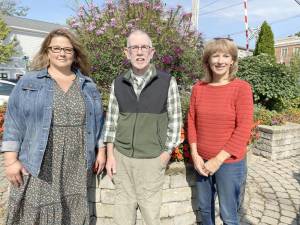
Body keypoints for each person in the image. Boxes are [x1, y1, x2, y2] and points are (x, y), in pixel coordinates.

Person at [1, 28, 106, 225]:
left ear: (75, 54)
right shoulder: (29, 82)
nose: (61, 53)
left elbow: (98, 120)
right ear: (47, 52)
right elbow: (13, 121)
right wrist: (10, 161)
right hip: (39, 160)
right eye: (56, 48)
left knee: (72, 210)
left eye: (67, 49)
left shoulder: (88, 85)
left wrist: (101, 150)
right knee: (36, 212)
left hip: (76, 162)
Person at [103, 30, 182, 225]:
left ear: (152, 52)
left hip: (152, 159)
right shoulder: (118, 82)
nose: (139, 52)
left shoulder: (166, 82)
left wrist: (166, 154)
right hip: (122, 158)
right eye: (134, 47)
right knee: (122, 214)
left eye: (144, 47)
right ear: (126, 53)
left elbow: (176, 120)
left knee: (151, 214)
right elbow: (111, 121)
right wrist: (110, 155)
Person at [187, 38, 254, 225]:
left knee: (228, 214)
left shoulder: (241, 88)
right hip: (202, 162)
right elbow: (191, 121)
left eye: (226, 56)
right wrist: (195, 155)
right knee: (205, 209)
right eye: (215, 56)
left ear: (232, 61)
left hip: (229, 164)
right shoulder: (198, 89)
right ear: (208, 60)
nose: (220, 61)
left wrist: (217, 160)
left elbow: (243, 128)